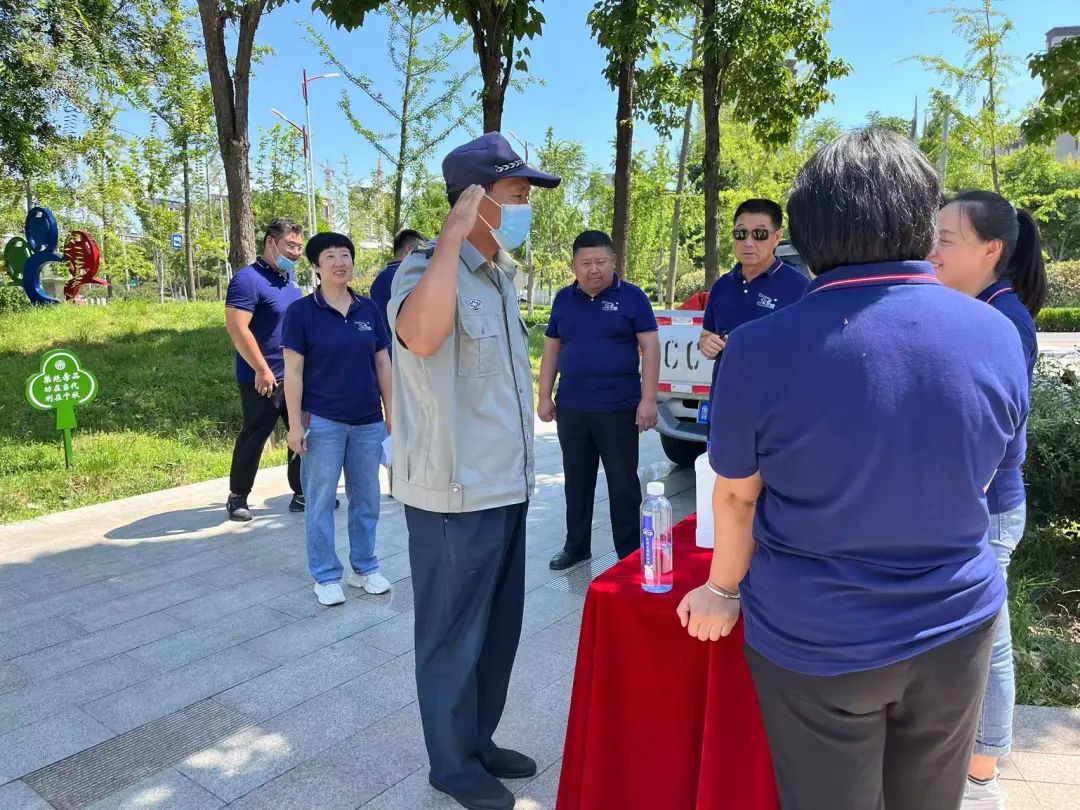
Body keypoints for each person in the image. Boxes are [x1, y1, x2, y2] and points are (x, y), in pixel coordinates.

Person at [676, 129, 1029, 810]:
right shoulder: (996, 333)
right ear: (922, 222)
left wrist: (721, 591)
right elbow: (990, 478)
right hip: (956, 624)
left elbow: (738, 500)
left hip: (819, 636)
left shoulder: (758, 348)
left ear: (805, 233)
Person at [388, 131, 560, 810]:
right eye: (516, 194)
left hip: (505, 487)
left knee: (495, 633)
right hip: (452, 496)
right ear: (474, 199)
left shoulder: (501, 277)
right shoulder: (423, 270)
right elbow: (422, 335)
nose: (525, 208)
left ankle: (477, 741)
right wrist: (452, 239)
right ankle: (451, 763)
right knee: (451, 638)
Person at [928, 190, 1046, 810]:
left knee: (988, 640)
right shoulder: (975, 309)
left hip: (986, 507)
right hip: (964, 503)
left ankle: (981, 777)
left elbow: (994, 432)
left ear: (991, 249)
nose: (932, 250)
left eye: (945, 240)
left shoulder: (1004, 321)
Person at [282, 232, 393, 606]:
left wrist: (391, 416)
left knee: (367, 500)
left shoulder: (368, 309)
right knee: (320, 502)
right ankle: (326, 575)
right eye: (329, 256)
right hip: (323, 421)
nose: (339, 262)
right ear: (316, 266)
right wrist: (294, 425)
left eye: (345, 255)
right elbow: (293, 372)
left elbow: (383, 364)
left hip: (367, 421)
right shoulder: (301, 313)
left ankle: (365, 568)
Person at [538, 230, 660, 568]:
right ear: (574, 266)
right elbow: (551, 349)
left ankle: (630, 553)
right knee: (577, 481)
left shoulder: (632, 297)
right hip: (572, 407)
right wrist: (544, 396)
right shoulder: (564, 299)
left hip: (618, 408)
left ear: (613, 261)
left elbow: (650, 348)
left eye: (601, 261)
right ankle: (576, 546)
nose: (594, 269)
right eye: (586, 263)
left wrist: (648, 400)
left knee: (623, 483)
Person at [224, 217, 305, 521]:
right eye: (290, 245)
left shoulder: (289, 280)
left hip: (294, 374)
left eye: (299, 247)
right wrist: (261, 369)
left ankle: (301, 492)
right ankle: (238, 496)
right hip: (262, 377)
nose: (295, 252)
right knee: (255, 435)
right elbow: (237, 328)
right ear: (271, 242)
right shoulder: (247, 280)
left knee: (301, 433)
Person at [698, 199, 809, 388]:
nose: (748, 243)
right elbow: (706, 335)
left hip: (777, 401)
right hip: (725, 398)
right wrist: (707, 344)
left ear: (777, 236)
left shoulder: (799, 287)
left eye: (760, 234)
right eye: (741, 234)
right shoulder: (721, 286)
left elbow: (810, 351)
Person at [370, 229, 426, 352]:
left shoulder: (380, 278)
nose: (425, 256)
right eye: (421, 250)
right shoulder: (408, 277)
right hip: (404, 350)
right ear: (409, 250)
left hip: (384, 348)